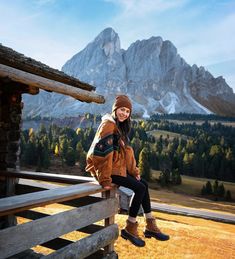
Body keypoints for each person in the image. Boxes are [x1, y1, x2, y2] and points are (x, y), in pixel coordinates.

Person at [86, 95, 169, 247]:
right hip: (106, 171)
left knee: (142, 183)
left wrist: (134, 171)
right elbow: (102, 154)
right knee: (140, 187)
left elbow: (127, 154)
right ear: (115, 110)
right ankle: (130, 227)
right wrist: (104, 179)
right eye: (121, 110)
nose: (124, 113)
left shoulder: (119, 128)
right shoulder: (108, 125)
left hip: (115, 168)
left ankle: (150, 225)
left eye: (127, 111)